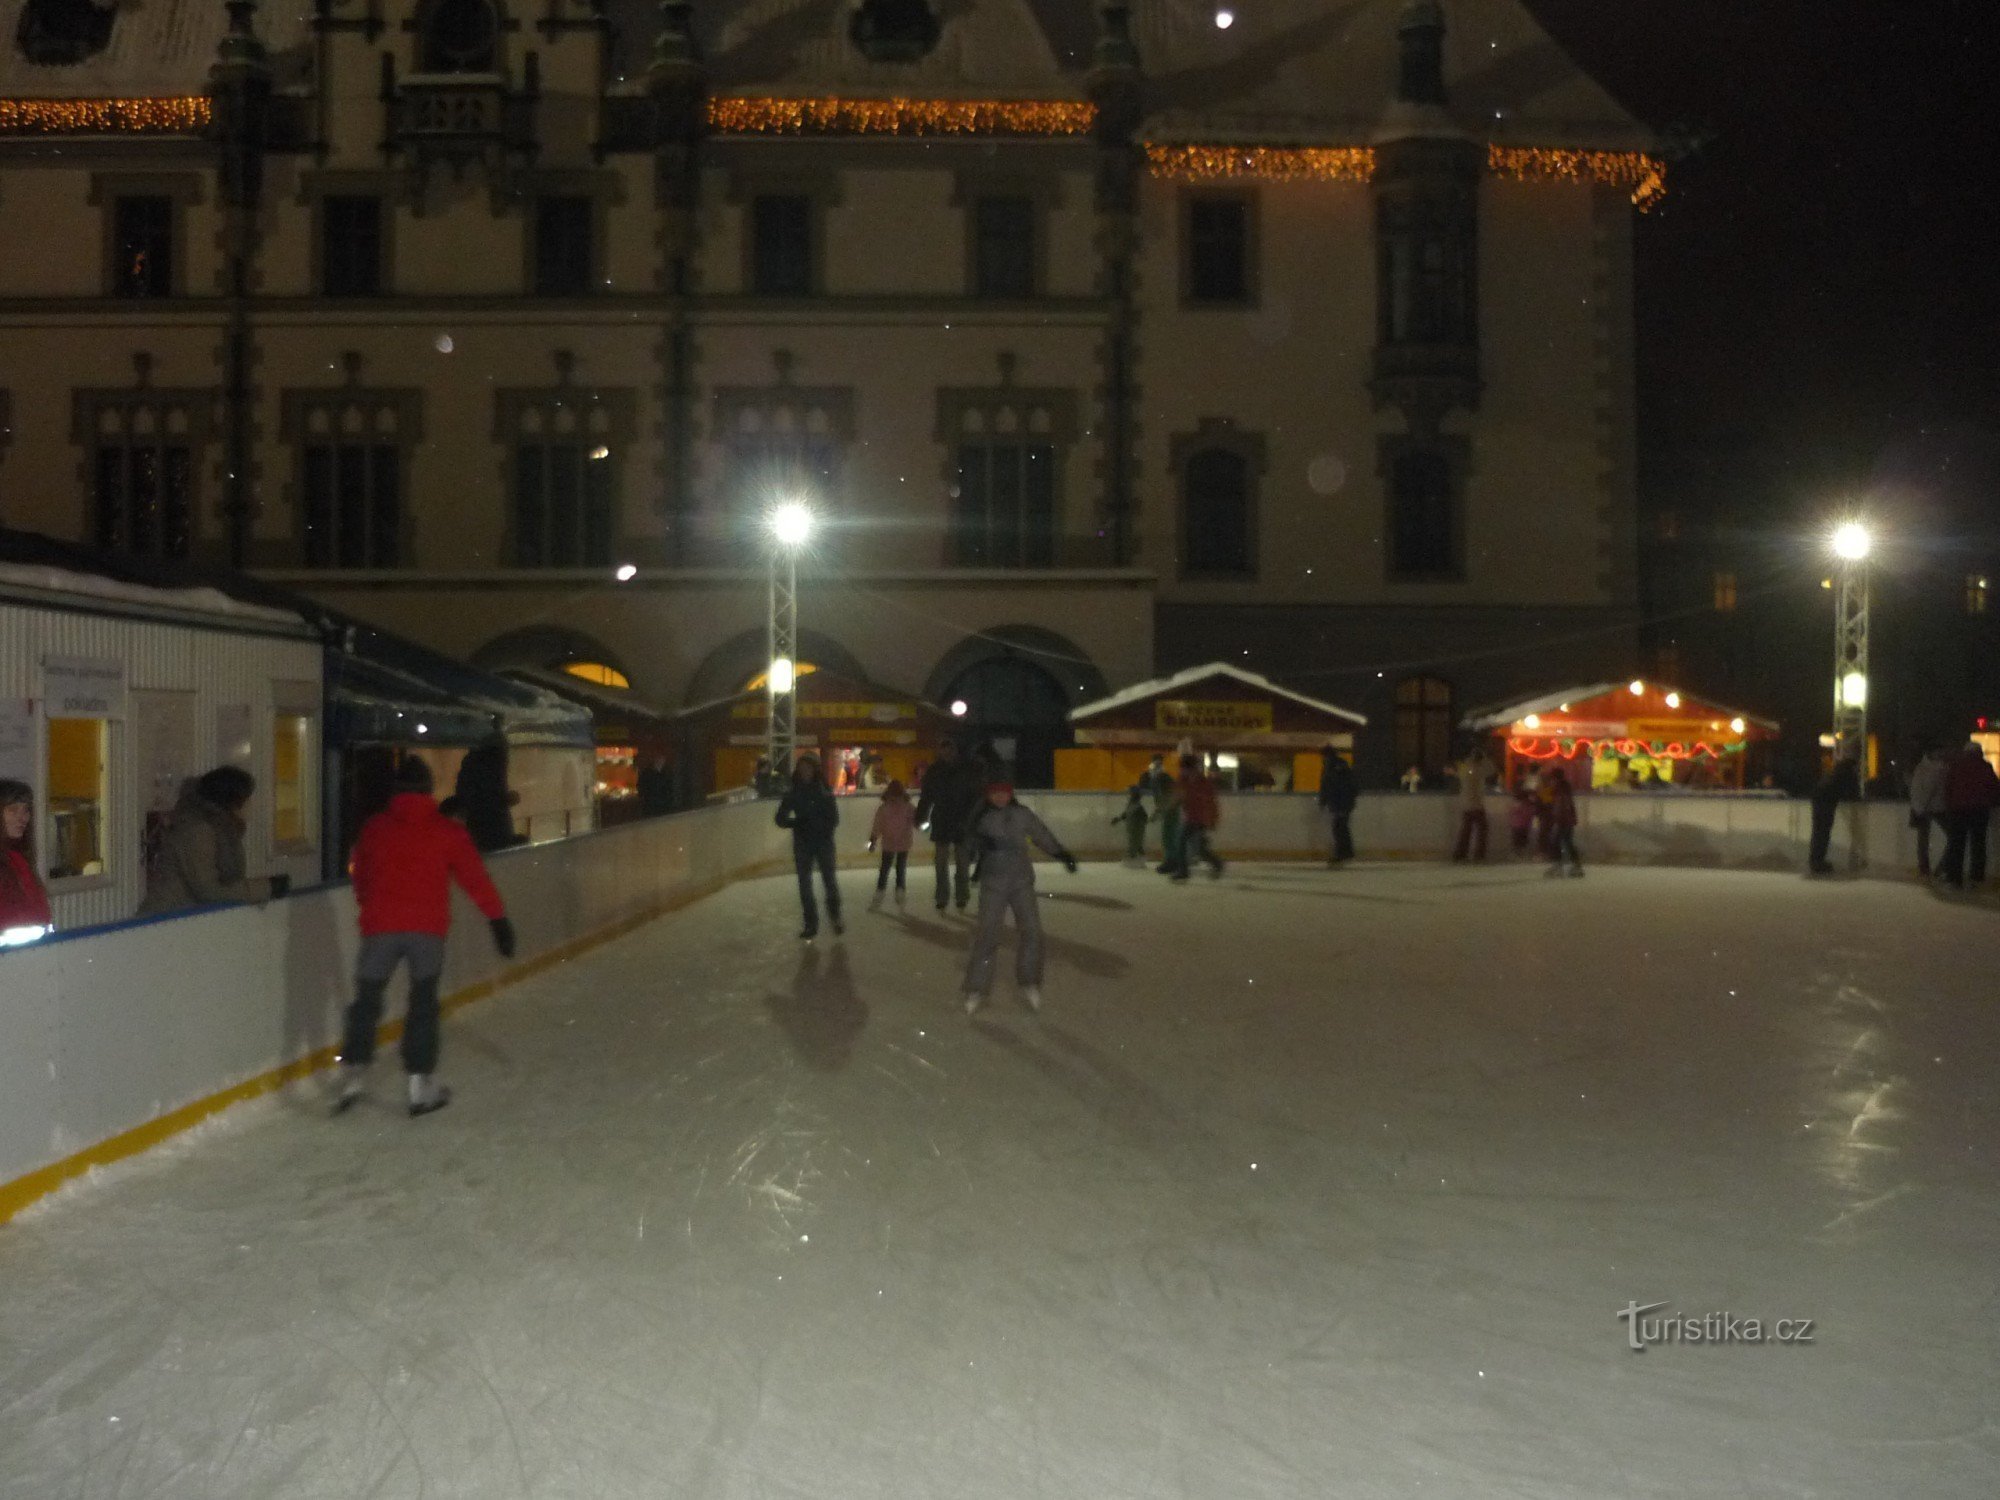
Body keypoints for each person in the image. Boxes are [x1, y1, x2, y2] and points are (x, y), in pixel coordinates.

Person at [336, 759, 514, 1117]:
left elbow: (360, 872)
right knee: (423, 1004)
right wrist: (497, 921)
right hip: (426, 932)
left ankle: (354, 1071)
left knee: (367, 1000)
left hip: (380, 928)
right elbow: (475, 879)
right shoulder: (448, 832)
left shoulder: (374, 828)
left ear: (396, 791)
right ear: (429, 790)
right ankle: (420, 1084)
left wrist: (369, 904)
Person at [961, 780, 1077, 1015]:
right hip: (993, 883)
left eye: (1004, 794)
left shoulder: (1022, 814)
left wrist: (1061, 853)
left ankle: (1029, 980)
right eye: (995, 794)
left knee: (1032, 930)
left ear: (1010, 794)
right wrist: (978, 843)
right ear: (988, 795)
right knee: (987, 933)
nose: (1000, 798)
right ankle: (977, 987)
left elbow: (1041, 834)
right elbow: (966, 840)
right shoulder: (981, 817)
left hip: (1021, 881)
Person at [138, 766, 287, 916]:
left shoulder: (222, 831)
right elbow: (209, 891)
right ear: (232, 801)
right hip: (167, 922)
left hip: (187, 920)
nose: (251, 805)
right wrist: (267, 887)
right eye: (247, 799)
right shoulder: (198, 830)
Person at [776, 753, 843, 938]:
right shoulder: (793, 792)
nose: (805, 772)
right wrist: (797, 823)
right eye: (802, 769)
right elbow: (780, 818)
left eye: (808, 769)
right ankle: (810, 924)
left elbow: (834, 818)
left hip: (823, 843)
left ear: (815, 770)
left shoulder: (824, 790)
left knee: (829, 881)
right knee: (805, 884)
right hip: (803, 843)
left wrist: (822, 827)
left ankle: (835, 916)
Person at [915, 739, 981, 913]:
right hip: (943, 820)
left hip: (961, 821)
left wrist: (971, 819)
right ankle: (942, 897)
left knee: (962, 862)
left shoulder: (966, 770)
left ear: (955, 750)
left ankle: (961, 896)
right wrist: (920, 816)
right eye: (943, 751)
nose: (947, 754)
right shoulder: (935, 771)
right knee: (941, 862)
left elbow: (974, 796)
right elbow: (926, 797)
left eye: (949, 750)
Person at [1938, 742, 1999, 889]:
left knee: (1956, 844)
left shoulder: (1957, 766)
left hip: (1958, 810)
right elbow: (1995, 788)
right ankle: (1976, 879)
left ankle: (1954, 878)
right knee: (1978, 845)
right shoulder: (1986, 766)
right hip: (1979, 810)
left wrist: (1949, 805)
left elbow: (1948, 787)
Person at [0, 780, 53, 943]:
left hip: (35, 951)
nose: (22, 818)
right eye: (13, 810)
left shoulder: (20, 858)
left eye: (26, 810)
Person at [1807, 751, 1861, 875]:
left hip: (1819, 799)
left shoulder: (1836, 771)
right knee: (1823, 832)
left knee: (1818, 831)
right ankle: (1818, 862)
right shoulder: (1847, 773)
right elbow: (1853, 793)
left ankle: (1815, 860)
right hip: (1826, 801)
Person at [1174, 759, 1225, 881]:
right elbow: (1180, 796)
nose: (1182, 772)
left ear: (1191, 769)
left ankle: (1184, 871)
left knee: (1184, 843)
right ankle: (1216, 864)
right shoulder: (1185, 781)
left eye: (1183, 769)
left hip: (1200, 818)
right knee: (1197, 847)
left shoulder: (1203, 783)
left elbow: (1211, 803)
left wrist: (1212, 819)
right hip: (1191, 817)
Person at [868, 779, 916, 905]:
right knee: (898, 869)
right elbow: (917, 821)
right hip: (901, 843)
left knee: (886, 869)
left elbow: (877, 827)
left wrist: (872, 841)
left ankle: (881, 892)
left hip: (892, 843)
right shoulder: (907, 807)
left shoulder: (885, 808)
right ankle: (899, 891)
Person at [1906, 743, 1951, 878]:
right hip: (1936, 807)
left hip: (1923, 807)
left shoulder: (1921, 767)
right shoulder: (1938, 768)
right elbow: (1930, 789)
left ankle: (1924, 868)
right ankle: (1940, 868)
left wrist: (1918, 807)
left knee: (1923, 840)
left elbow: (1916, 788)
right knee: (1952, 837)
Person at [1451, 747, 1495, 861]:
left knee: (1466, 830)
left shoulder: (1465, 768)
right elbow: (1491, 770)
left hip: (1467, 804)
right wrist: (1486, 758)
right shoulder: (1478, 770)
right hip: (1476, 805)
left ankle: (1460, 854)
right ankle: (1478, 854)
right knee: (1482, 830)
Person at [1316, 747, 1357, 865]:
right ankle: (1344, 852)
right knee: (1340, 827)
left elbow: (1333, 786)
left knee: (1340, 827)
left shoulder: (1336, 768)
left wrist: (1324, 800)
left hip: (1341, 802)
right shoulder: (1334, 766)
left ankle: (1343, 853)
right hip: (1340, 802)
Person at [1542, 766, 1583, 877]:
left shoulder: (1560, 789)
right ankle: (1575, 865)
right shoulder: (1563, 788)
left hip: (1563, 819)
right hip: (1567, 819)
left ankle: (1558, 865)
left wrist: (1556, 817)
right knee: (1566, 842)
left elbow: (1561, 805)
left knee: (1556, 842)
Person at [1111, 782, 1151, 865]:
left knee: (1135, 843)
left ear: (1134, 795)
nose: (1128, 795)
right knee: (1136, 844)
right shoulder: (1131, 805)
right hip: (1132, 828)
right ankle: (1139, 859)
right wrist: (1118, 819)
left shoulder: (1138, 807)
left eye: (1130, 793)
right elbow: (1126, 814)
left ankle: (1135, 859)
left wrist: (1140, 823)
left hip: (1136, 829)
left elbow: (1144, 817)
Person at [636, 751, 674, 818]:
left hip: (664, 805)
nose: (661, 762)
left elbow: (669, 788)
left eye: (662, 761)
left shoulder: (665, 773)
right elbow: (641, 787)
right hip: (651, 805)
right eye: (659, 760)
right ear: (655, 761)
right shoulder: (647, 773)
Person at [1507, 775, 1537, 857]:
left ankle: (1517, 853)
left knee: (1517, 840)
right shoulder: (1528, 803)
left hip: (1516, 824)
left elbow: (1512, 813)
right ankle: (1521, 853)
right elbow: (1531, 812)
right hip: (1525, 824)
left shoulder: (1515, 803)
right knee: (1523, 839)